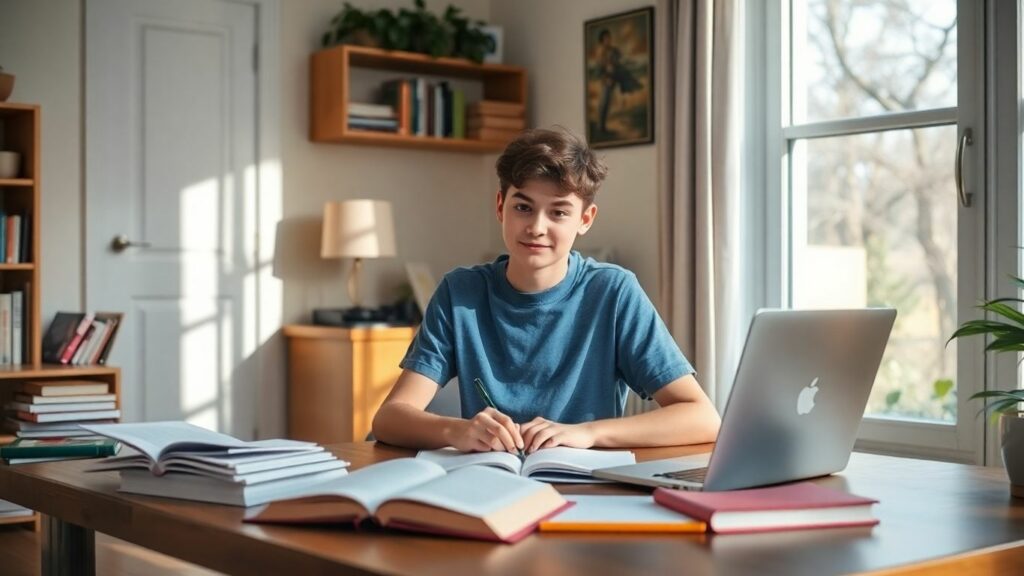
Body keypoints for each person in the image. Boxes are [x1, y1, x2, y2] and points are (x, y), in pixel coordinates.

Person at [372, 128, 720, 455]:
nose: (537, 227)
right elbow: (389, 418)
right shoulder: (460, 293)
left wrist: (589, 433)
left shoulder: (613, 292)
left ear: (585, 219)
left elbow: (702, 417)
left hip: (585, 492)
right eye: (523, 207)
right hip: (489, 486)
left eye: (558, 212)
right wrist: (456, 431)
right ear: (500, 207)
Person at [596, 28, 641, 135]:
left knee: (621, 99)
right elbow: (600, 69)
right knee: (605, 102)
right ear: (602, 40)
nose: (608, 40)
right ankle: (602, 125)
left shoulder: (614, 50)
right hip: (607, 80)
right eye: (606, 38)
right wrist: (606, 78)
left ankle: (624, 121)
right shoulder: (601, 52)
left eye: (609, 37)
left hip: (616, 77)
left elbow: (619, 62)